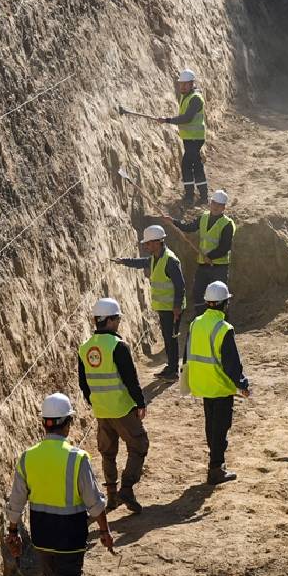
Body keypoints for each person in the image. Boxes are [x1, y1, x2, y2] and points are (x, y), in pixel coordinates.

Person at [5, 393, 115, 576]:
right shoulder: (78, 459)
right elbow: (95, 502)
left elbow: (16, 500)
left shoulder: (27, 457)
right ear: (67, 424)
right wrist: (105, 531)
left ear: (45, 424)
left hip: (42, 537)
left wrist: (12, 532)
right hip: (70, 540)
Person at [77, 298, 149, 514]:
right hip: (122, 408)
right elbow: (130, 378)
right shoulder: (118, 346)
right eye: (117, 318)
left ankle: (111, 498)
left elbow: (83, 383)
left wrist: (95, 401)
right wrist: (140, 402)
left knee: (108, 453)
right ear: (108, 320)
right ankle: (126, 488)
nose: (118, 322)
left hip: (101, 411)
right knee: (139, 444)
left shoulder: (85, 349)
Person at [184, 281, 250, 484]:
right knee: (220, 427)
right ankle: (216, 468)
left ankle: (215, 463)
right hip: (219, 385)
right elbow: (231, 363)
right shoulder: (223, 328)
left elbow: (187, 352)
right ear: (224, 304)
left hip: (201, 383)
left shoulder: (195, 323)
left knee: (211, 425)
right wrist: (242, 384)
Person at [110, 225, 186, 380]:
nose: (146, 246)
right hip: (165, 307)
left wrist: (177, 307)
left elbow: (180, 285)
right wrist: (124, 261)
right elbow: (142, 263)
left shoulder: (170, 260)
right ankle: (171, 367)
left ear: (158, 242)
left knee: (171, 338)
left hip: (172, 308)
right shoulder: (156, 258)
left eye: (148, 243)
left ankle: (173, 371)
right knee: (167, 337)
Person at [168, 190, 236, 317]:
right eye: (214, 203)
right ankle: (200, 318)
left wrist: (210, 256)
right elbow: (189, 227)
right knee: (198, 292)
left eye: (219, 205)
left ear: (224, 207)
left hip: (219, 267)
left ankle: (222, 320)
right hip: (203, 265)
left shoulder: (227, 224)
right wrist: (173, 222)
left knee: (220, 295)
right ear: (210, 203)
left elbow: (225, 247)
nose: (216, 206)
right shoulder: (203, 217)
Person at [155, 68, 207, 203]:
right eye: (181, 84)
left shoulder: (195, 98)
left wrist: (167, 120)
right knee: (195, 165)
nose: (182, 86)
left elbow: (187, 118)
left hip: (195, 138)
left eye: (185, 84)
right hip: (190, 138)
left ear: (192, 83)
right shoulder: (186, 96)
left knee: (188, 165)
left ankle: (192, 196)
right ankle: (201, 196)